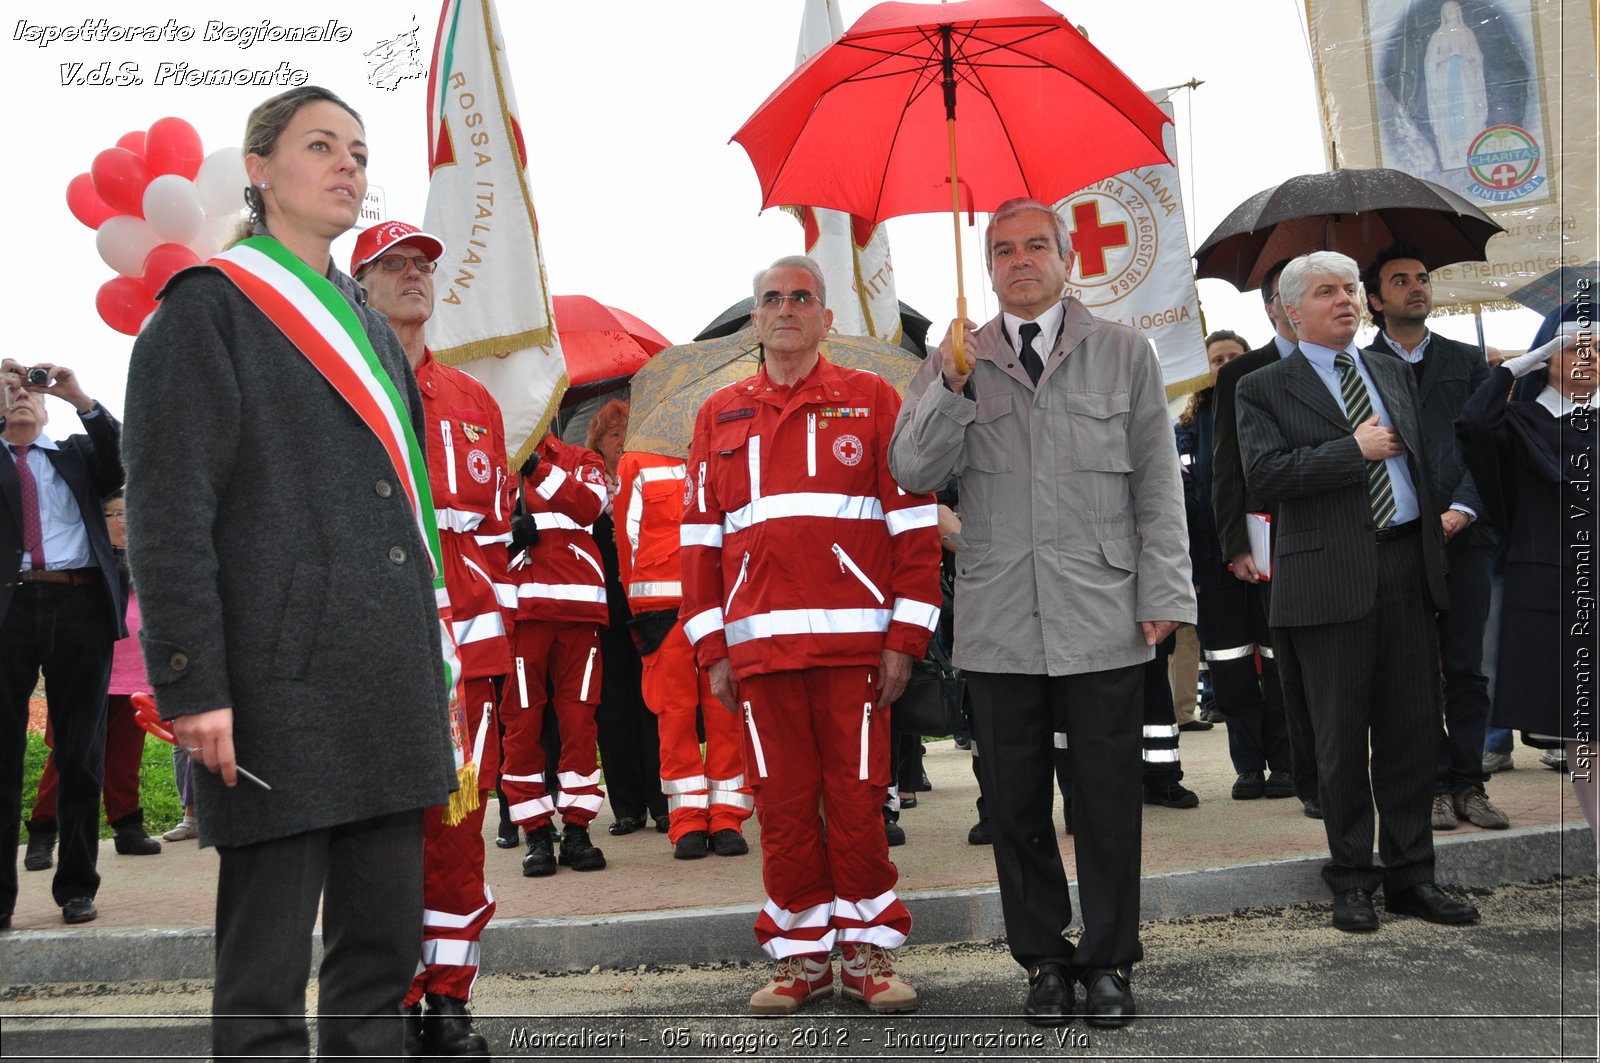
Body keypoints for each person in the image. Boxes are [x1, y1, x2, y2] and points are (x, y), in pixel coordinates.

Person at [123, 86, 458, 1057]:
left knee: (378, 965)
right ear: (260, 169)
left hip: (387, 680)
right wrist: (195, 682)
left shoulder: (369, 324)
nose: (349, 163)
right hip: (279, 689)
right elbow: (169, 512)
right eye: (322, 145)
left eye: (358, 148)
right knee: (265, 984)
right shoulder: (208, 311)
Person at [889, 198, 1194, 1028]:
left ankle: (1108, 962)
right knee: (1014, 806)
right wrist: (948, 385)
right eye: (1002, 250)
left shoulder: (1123, 352)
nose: (1019, 260)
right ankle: (1044, 962)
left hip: (1103, 610)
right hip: (1000, 621)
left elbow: (1157, 484)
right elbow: (911, 470)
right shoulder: (956, 357)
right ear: (985, 267)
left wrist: (1165, 589)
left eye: (1035, 246)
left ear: (1068, 258)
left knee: (1105, 799)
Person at [681, 254, 941, 1015]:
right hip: (759, 660)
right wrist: (712, 648)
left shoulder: (872, 401)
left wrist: (906, 638)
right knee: (784, 807)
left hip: (857, 655)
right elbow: (697, 542)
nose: (786, 308)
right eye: (772, 298)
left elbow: (915, 529)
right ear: (753, 319)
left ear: (828, 318)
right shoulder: (719, 414)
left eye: (802, 297)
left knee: (858, 804)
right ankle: (799, 959)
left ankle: (865, 955)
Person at [1234, 250, 1480, 934]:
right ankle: (1351, 879)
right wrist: (1354, 451)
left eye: (1349, 289)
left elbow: (1426, 463)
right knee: (1341, 741)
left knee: (1408, 733)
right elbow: (1263, 476)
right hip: (1327, 580)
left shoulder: (1390, 369)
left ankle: (1412, 877)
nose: (1345, 300)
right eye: (1325, 292)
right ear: (1290, 310)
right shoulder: (1262, 386)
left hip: (1406, 566)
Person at [353, 218, 510, 1058]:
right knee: (382, 834)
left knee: (456, 832)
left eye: (422, 265)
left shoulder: (476, 401)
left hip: (468, 660)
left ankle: (448, 997)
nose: (414, 276)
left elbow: (495, 525)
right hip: (377, 650)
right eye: (394, 265)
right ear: (360, 284)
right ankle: (385, 994)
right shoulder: (345, 387)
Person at [1361, 243, 1506, 833]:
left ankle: (1471, 783)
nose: (1416, 287)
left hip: (1466, 538)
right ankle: (1436, 786)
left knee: (1467, 667)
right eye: (1400, 281)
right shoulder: (1359, 366)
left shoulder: (1468, 361)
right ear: (1376, 299)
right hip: (1400, 542)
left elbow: (1487, 441)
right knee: (1415, 672)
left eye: (1422, 278)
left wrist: (1464, 507)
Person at [1, 359, 126, 931]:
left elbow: (124, 457)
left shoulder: (75, 454)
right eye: (8, 393)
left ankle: (76, 886)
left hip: (78, 605)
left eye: (28, 393)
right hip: (10, 610)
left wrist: (79, 395)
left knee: (81, 751)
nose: (20, 399)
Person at [1457, 320, 1596, 837]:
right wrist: (1514, 367)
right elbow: (1473, 425)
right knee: (1585, 732)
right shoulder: (1520, 420)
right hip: (1555, 592)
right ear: (1548, 360)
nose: (1590, 357)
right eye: (1575, 349)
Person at [1211, 260, 1322, 819]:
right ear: (1272, 307)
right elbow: (1227, 464)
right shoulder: (1241, 375)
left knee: (1304, 663)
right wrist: (1235, 543)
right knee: (1258, 659)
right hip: (1265, 536)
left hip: (1331, 535)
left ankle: (1300, 766)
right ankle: (1258, 765)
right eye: (1290, 294)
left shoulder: (1345, 363)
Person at [614, 442, 751, 858]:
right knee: (673, 718)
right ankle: (686, 821)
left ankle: (728, 817)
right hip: (662, 613)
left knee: (725, 709)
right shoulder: (635, 463)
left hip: (718, 604)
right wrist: (639, 607)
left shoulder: (726, 454)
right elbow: (626, 542)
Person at [1177, 330, 1294, 800]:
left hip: (1273, 562)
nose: (1224, 365)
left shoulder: (1272, 411)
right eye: (1216, 359)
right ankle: (1248, 766)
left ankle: (1287, 764)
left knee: (1280, 667)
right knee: (1230, 671)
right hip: (1213, 570)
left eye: (1233, 357)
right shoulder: (1189, 428)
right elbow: (1184, 503)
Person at [26, 489, 162, 868]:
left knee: (125, 756)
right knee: (69, 755)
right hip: (84, 671)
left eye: (129, 514)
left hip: (133, 678)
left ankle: (127, 825)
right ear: (96, 521)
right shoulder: (84, 562)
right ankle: (43, 831)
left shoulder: (147, 562)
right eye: (116, 514)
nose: (125, 522)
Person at [500, 430, 611, 876]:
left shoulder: (582, 457)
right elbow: (475, 530)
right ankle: (536, 832)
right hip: (525, 609)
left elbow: (589, 507)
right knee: (522, 722)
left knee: (579, 721)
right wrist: (510, 537)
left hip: (580, 607)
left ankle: (578, 827)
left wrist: (534, 467)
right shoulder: (497, 463)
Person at [587, 401, 671, 840]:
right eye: (614, 435)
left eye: (628, 434)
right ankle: (626, 806)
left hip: (648, 605)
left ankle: (662, 802)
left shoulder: (650, 476)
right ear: (597, 443)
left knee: (652, 703)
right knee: (613, 705)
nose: (622, 442)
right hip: (605, 609)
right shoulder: (588, 490)